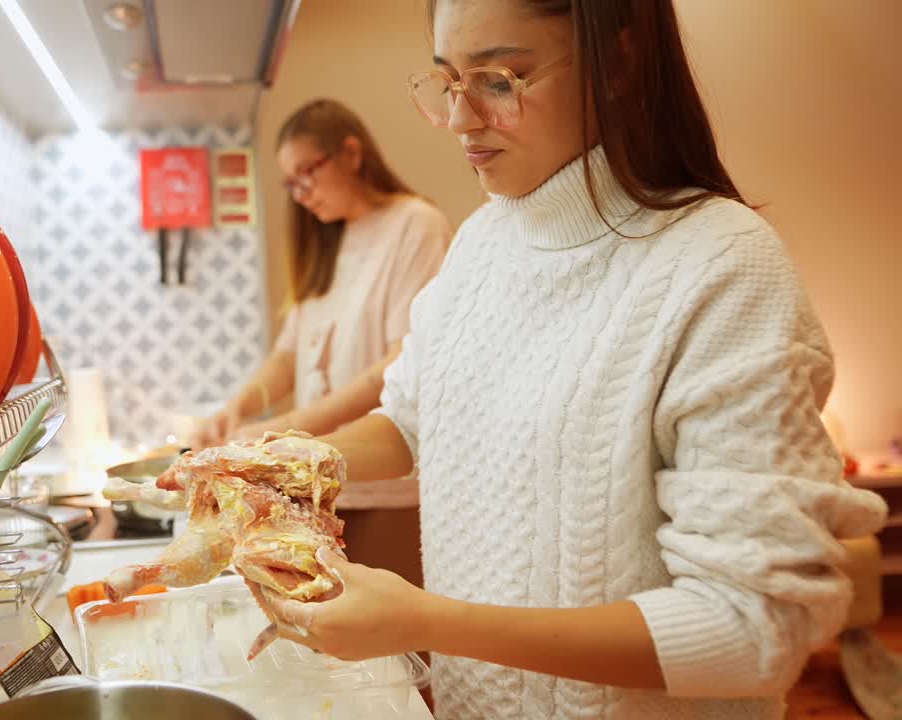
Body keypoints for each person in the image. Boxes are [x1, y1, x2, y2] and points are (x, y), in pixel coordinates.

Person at [247, 1, 888, 718]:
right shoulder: (482, 247)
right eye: (447, 81)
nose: (460, 119)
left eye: (498, 79)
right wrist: (285, 460)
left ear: (619, 59)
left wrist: (425, 621)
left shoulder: (721, 268)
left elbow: (750, 626)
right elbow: (410, 421)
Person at [191, 98, 452, 587]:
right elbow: (288, 356)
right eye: (290, 184)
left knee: (394, 649)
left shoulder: (414, 225)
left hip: (386, 483)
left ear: (351, 154)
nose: (301, 194)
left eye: (306, 174)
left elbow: (401, 366)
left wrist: (288, 431)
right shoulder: (325, 242)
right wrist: (238, 408)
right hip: (319, 485)